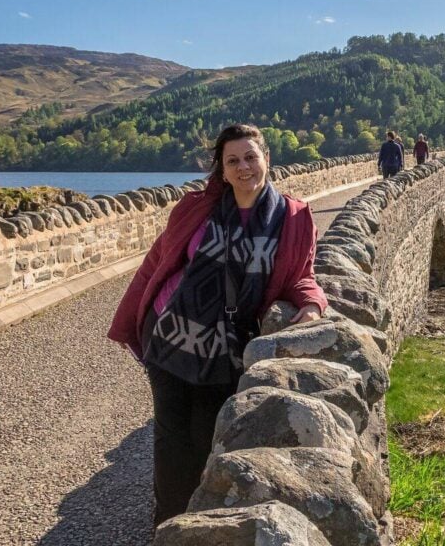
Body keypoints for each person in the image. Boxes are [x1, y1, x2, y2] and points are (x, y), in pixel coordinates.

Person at [107, 124, 326, 526]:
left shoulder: (292, 217)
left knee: (207, 435)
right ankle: (168, 523)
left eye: (250, 157)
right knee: (171, 437)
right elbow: (157, 264)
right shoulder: (196, 207)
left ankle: (199, 520)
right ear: (221, 170)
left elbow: (300, 274)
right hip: (170, 333)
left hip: (226, 345)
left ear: (267, 160)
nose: (243, 167)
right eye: (233, 160)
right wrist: (132, 320)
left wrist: (311, 302)